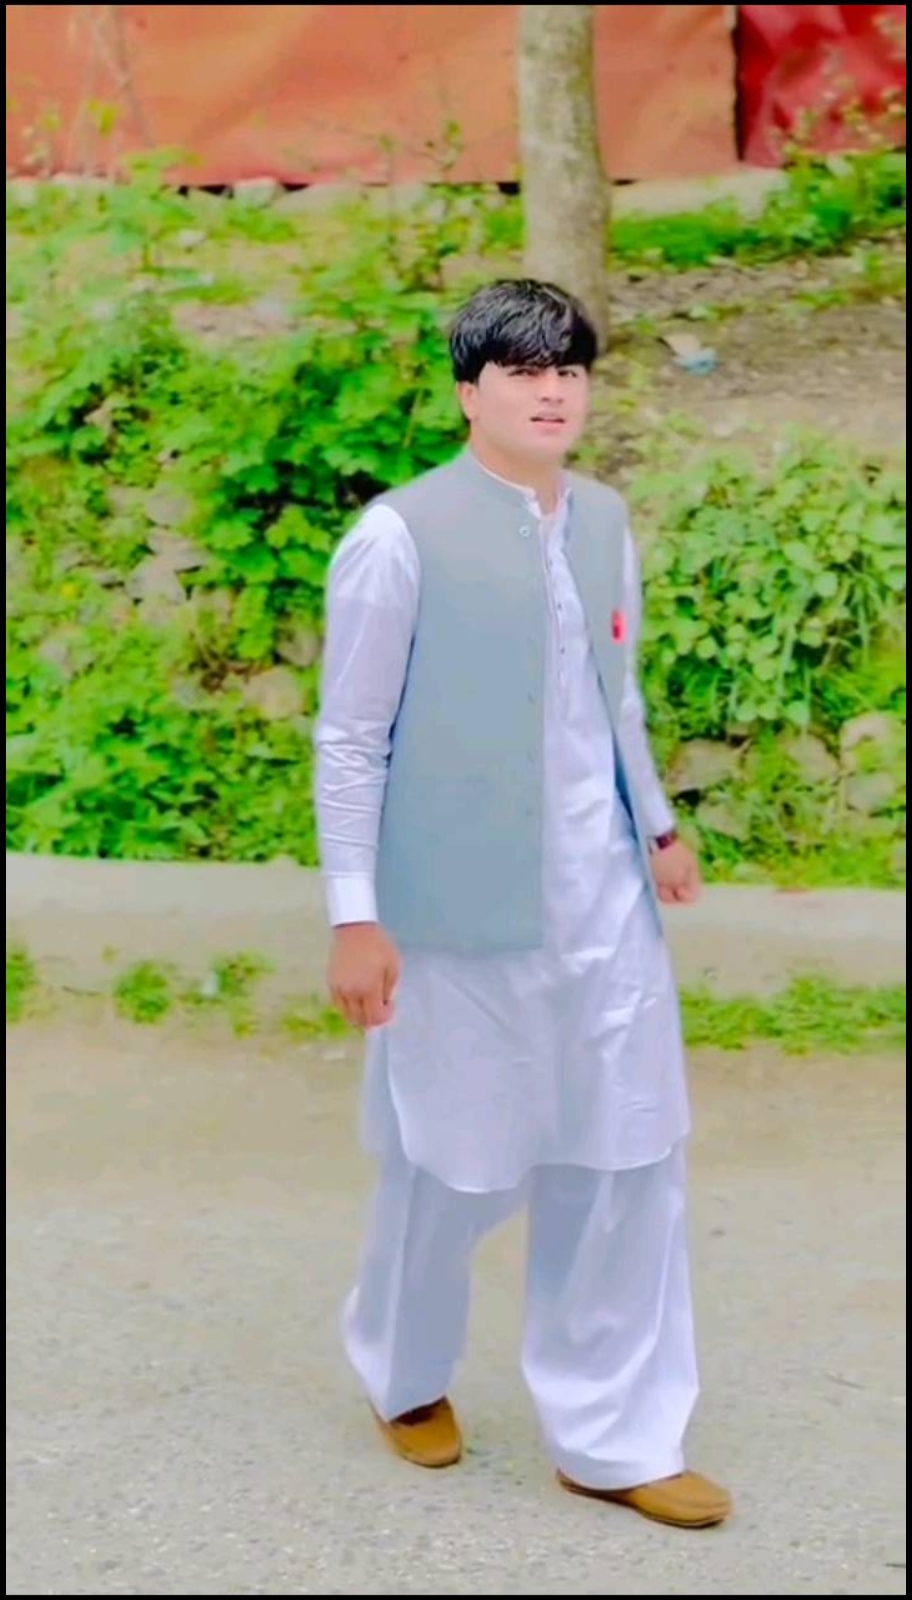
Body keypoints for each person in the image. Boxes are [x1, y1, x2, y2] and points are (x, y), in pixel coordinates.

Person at [314, 279, 731, 1529]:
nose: (553, 393)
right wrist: (353, 913)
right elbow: (352, 739)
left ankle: (615, 1435)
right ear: (469, 391)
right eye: (524, 372)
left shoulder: (602, 520)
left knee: (627, 1152)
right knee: (454, 1160)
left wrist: (656, 823)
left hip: (605, 902)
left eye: (571, 371)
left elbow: (617, 692)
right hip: (458, 908)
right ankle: (401, 1369)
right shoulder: (397, 537)